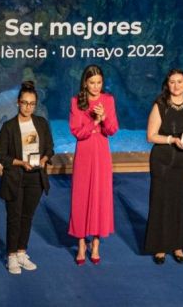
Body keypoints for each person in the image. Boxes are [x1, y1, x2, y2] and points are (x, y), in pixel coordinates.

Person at [144, 69, 183, 265]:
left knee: (181, 202)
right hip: (163, 160)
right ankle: (160, 247)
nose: (176, 85)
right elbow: (151, 135)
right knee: (161, 202)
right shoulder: (160, 105)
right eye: (172, 82)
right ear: (167, 84)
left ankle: (178, 245)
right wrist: (172, 140)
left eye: (180, 81)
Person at [0, 81, 54, 274]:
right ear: (18, 103)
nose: (28, 107)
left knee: (27, 217)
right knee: (14, 217)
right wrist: (20, 162)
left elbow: (49, 148)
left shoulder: (41, 123)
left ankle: (22, 251)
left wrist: (44, 159)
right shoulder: (9, 127)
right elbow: (0, 155)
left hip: (36, 177)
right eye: (25, 103)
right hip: (16, 177)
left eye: (32, 103)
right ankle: (11, 255)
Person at [68, 65, 118, 265]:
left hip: (102, 153)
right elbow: (77, 132)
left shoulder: (108, 100)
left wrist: (104, 118)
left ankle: (96, 243)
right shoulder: (76, 102)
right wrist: (94, 122)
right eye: (92, 83)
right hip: (85, 151)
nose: (96, 87)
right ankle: (81, 243)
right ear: (85, 83)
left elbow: (113, 129)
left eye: (99, 82)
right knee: (81, 196)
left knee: (100, 195)